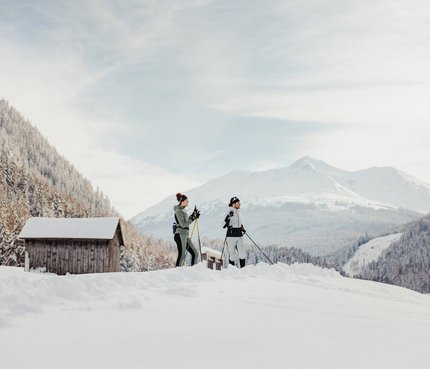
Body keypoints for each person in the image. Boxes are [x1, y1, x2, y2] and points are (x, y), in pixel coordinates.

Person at [173, 193, 200, 267]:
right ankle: (177, 273)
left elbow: (187, 221)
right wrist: (193, 218)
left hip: (185, 235)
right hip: (180, 235)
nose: (188, 201)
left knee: (195, 253)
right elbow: (183, 224)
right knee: (181, 255)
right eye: (187, 200)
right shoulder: (178, 211)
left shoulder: (183, 210)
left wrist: (193, 215)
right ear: (182, 201)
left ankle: (193, 271)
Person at [223, 196, 246, 268]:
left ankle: (243, 269)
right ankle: (232, 271)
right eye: (238, 203)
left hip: (239, 235)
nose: (240, 204)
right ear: (233, 204)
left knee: (242, 252)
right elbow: (223, 224)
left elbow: (238, 222)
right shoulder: (229, 211)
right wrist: (227, 218)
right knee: (232, 254)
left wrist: (242, 227)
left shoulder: (238, 211)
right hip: (231, 236)